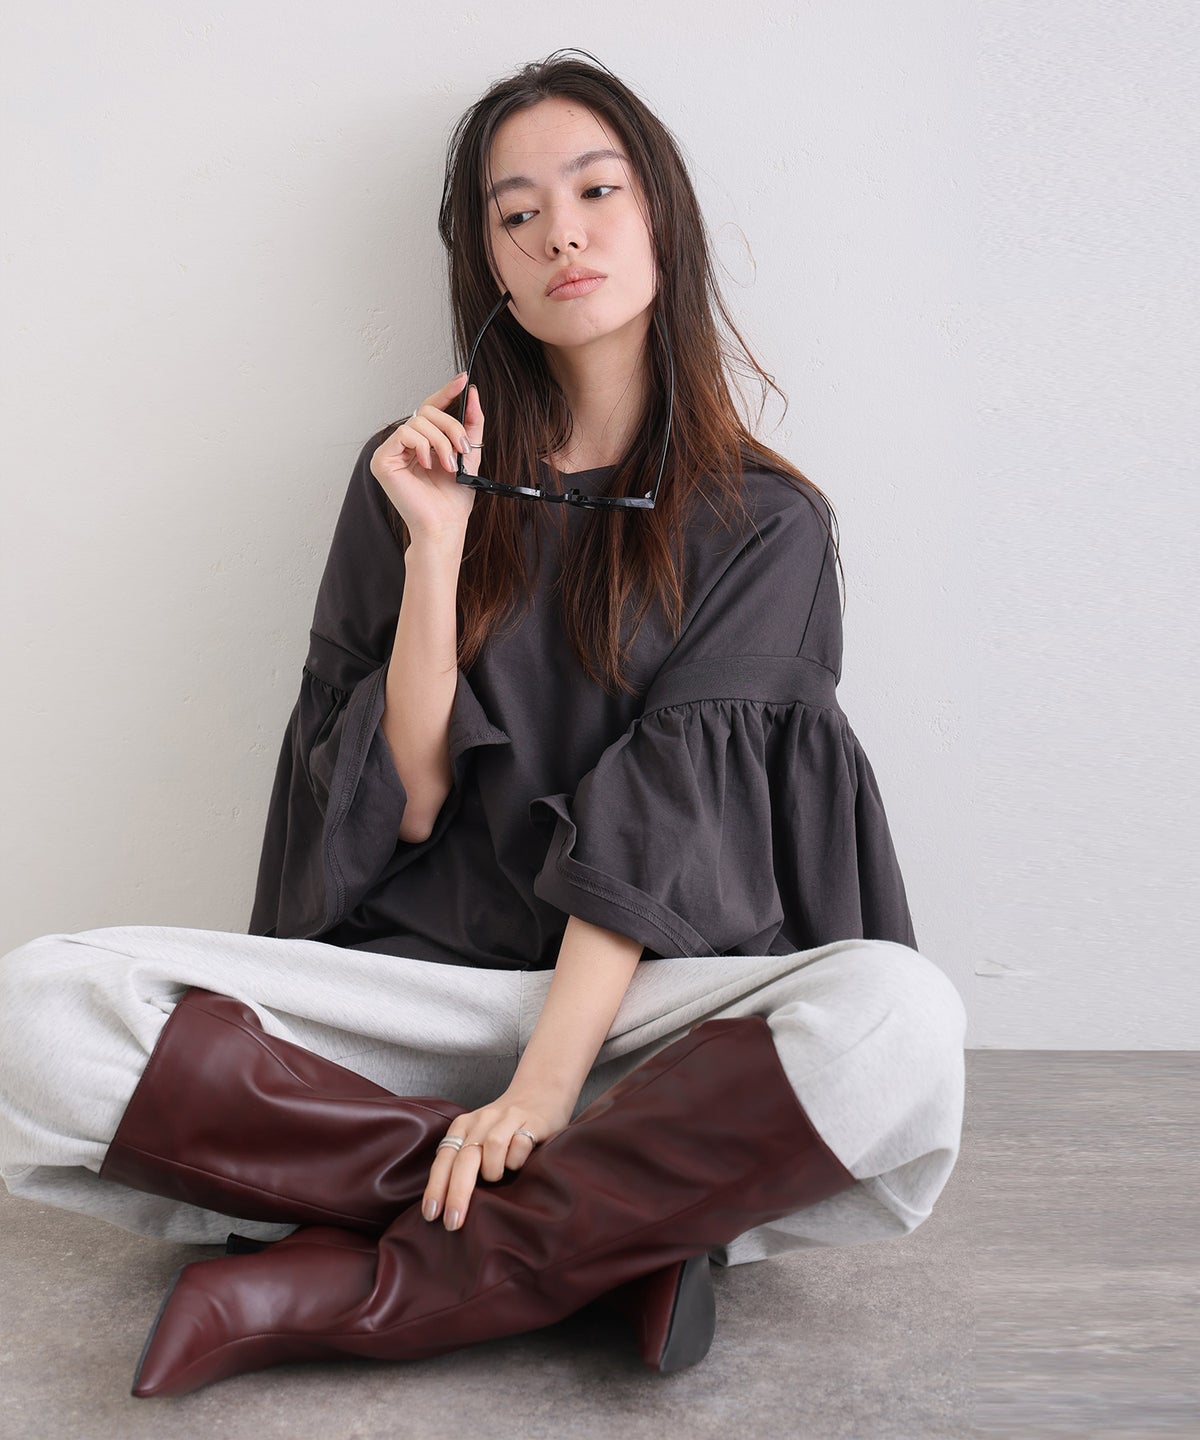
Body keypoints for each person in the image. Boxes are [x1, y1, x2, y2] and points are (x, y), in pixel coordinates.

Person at [0, 49, 967, 1397]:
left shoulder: (767, 522)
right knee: (41, 1005)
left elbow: (656, 841)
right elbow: (399, 802)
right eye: (519, 213)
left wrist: (545, 1092)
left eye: (596, 190)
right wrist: (437, 551)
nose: (562, 232)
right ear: (491, 266)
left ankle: (368, 1276)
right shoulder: (411, 478)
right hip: (423, 994)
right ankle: (605, 1234)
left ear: (664, 218)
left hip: (640, 1022)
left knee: (898, 1019)